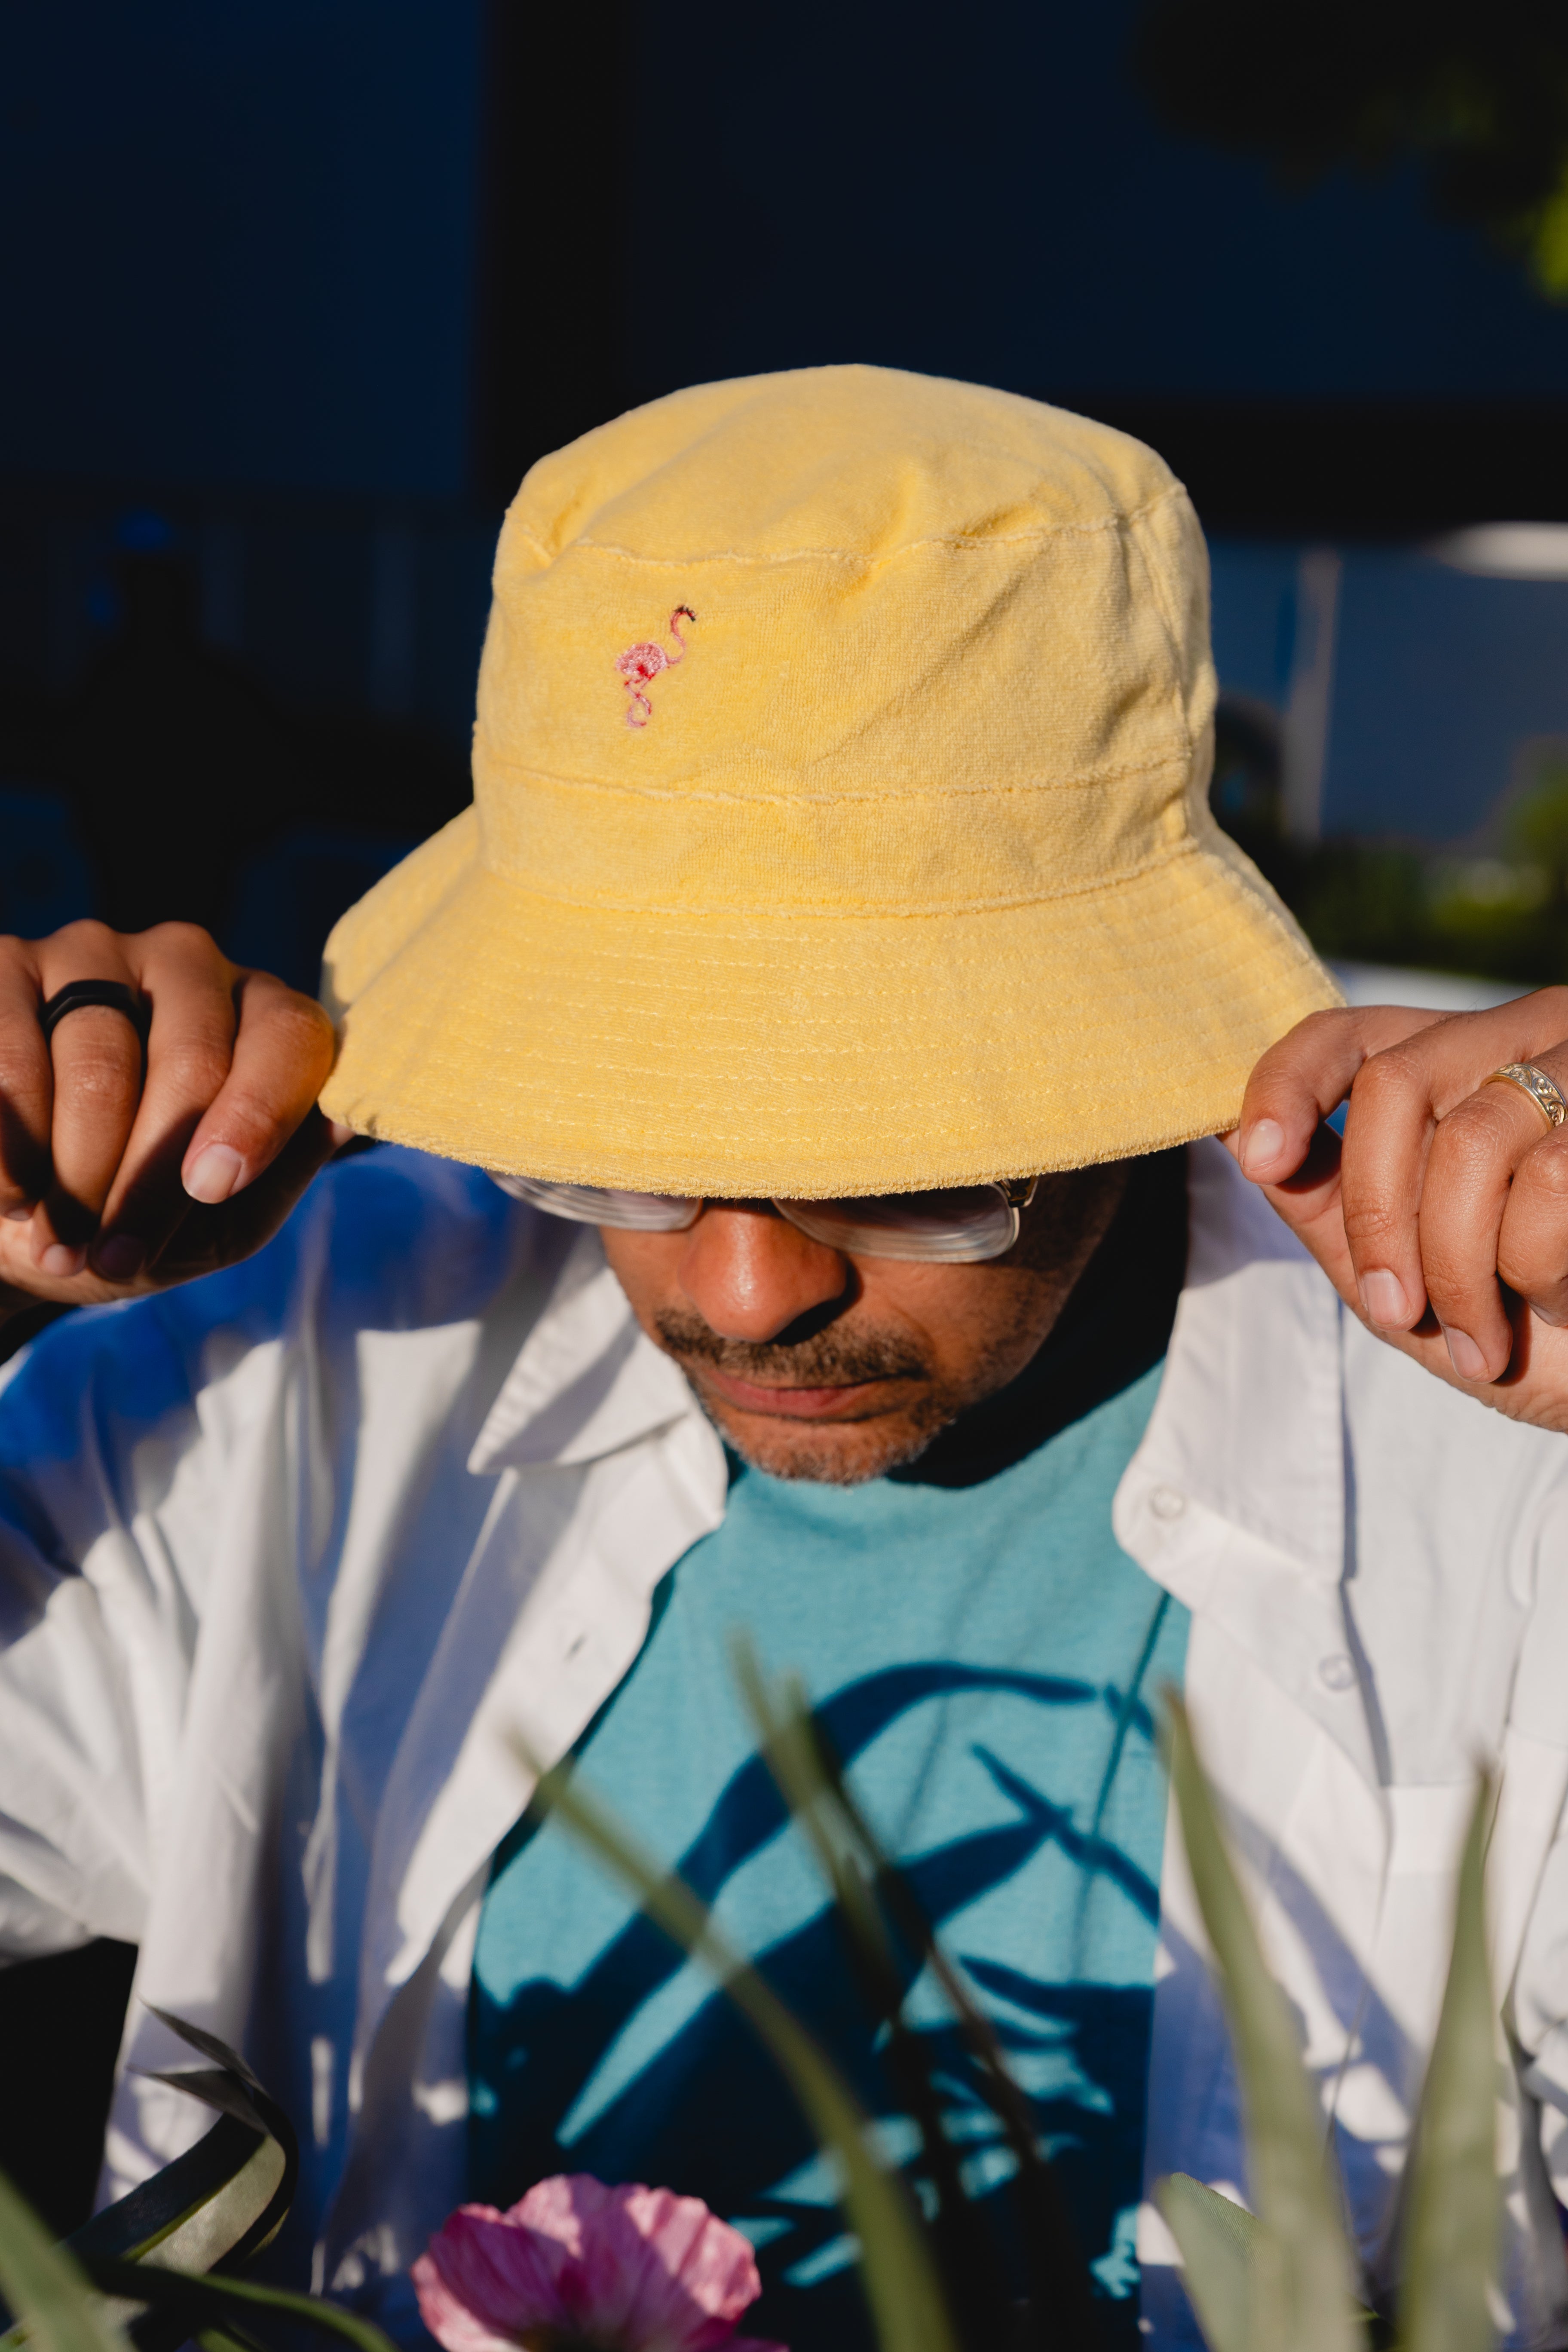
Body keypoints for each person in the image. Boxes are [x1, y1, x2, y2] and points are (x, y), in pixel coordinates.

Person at [3, 367, 1568, 2352]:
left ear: (1136, 1067)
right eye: (621, 1140)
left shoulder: (1498, 1444)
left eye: (899, 1162)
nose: (742, 1291)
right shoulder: (302, 1358)